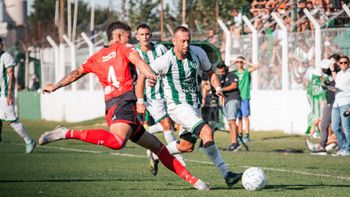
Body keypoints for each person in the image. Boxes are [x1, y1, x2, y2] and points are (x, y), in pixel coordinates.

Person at [38, 21, 209, 190]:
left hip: (115, 107)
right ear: (118, 36)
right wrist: (149, 73)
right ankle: (66, 132)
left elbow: (76, 73)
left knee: (160, 149)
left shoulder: (96, 57)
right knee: (118, 142)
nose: (130, 39)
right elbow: (138, 61)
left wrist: (55, 86)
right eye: (128, 35)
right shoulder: (124, 48)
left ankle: (195, 182)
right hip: (124, 103)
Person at [147, 26, 243, 188]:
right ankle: (227, 174)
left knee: (186, 146)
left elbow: (211, 73)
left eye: (188, 41)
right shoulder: (166, 59)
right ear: (174, 42)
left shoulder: (198, 53)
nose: (186, 44)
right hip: (178, 107)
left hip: (195, 105)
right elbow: (146, 72)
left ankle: (156, 154)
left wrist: (218, 88)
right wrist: (145, 92)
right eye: (182, 41)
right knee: (206, 132)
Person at [134, 23, 185, 176]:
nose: (145, 37)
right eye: (142, 34)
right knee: (167, 124)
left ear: (151, 35)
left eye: (147, 34)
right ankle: (179, 160)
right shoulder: (135, 54)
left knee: (174, 124)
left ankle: (149, 142)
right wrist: (139, 99)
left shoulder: (161, 49)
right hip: (151, 97)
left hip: (168, 92)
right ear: (137, 37)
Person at [0, 38, 36, 153]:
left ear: (1, 45)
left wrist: (10, 94)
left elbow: (11, 76)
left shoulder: (6, 56)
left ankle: (29, 141)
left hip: (5, 95)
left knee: (11, 121)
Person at [306, 55, 340, 155]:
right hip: (330, 103)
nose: (325, 69)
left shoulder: (339, 74)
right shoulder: (325, 75)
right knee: (324, 124)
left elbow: (338, 86)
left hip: (339, 103)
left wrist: (328, 85)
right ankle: (322, 146)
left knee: (337, 127)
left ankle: (341, 146)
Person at [216, 62, 241, 152]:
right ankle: (233, 142)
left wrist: (221, 89)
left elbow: (234, 86)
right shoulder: (219, 78)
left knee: (232, 120)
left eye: (222, 72)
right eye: (219, 72)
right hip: (225, 101)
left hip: (233, 99)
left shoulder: (232, 75)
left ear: (225, 69)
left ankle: (235, 142)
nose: (221, 73)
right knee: (230, 122)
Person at [234, 56, 259, 143]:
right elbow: (223, 69)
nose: (239, 63)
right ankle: (240, 135)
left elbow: (256, 67)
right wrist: (233, 62)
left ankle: (247, 135)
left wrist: (246, 62)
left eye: (240, 62)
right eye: (237, 62)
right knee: (239, 117)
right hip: (237, 97)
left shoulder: (246, 71)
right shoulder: (234, 73)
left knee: (245, 116)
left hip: (244, 96)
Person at [330, 55, 350, 156]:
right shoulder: (339, 74)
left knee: (346, 128)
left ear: (348, 63)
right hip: (336, 103)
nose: (343, 64)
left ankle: (347, 149)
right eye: (341, 63)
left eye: (345, 62)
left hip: (346, 103)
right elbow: (337, 84)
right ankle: (342, 147)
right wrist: (327, 87)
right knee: (335, 127)